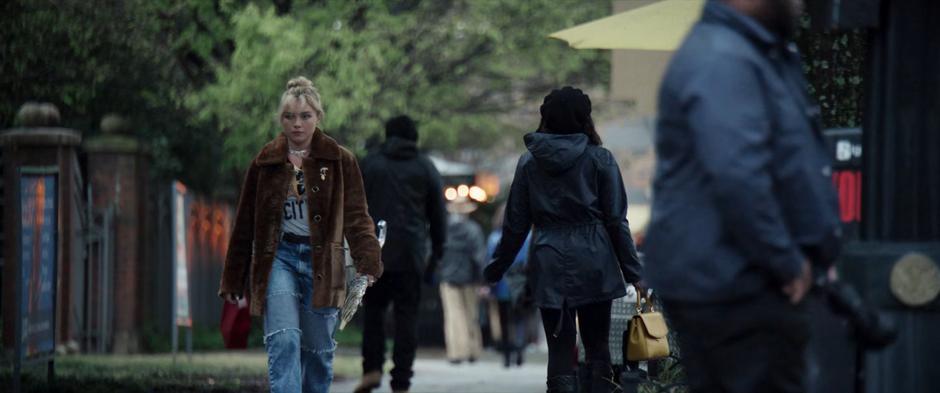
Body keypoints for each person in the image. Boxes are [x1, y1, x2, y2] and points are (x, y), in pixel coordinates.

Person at [643, 1, 843, 392]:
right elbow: (739, 175)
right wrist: (785, 259)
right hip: (736, 281)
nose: (798, 4)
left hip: (733, 276)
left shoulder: (737, 53)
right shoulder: (724, 58)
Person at [218, 76, 382, 393]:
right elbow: (244, 222)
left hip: (324, 263)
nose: (297, 124)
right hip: (278, 258)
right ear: (281, 119)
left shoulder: (340, 160)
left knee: (318, 352)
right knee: (284, 339)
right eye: (289, 117)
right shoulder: (265, 162)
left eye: (305, 116)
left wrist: (368, 262)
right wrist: (233, 277)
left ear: (318, 117)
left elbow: (357, 216)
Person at [484, 87, 644, 393]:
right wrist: (634, 271)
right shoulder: (601, 159)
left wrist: (497, 266)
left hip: (548, 260)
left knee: (559, 349)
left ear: (546, 118)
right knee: (598, 348)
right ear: (585, 119)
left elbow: (516, 224)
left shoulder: (529, 162)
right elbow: (616, 221)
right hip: (595, 259)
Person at [356, 115, 447, 393]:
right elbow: (438, 216)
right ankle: (401, 380)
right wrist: (436, 257)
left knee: (373, 313)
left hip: (375, 253)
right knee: (407, 317)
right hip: (411, 254)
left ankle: (371, 369)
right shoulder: (424, 166)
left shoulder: (370, 163)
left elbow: (355, 208)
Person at [436, 197, 486, 364]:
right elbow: (479, 257)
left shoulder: (444, 230)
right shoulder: (473, 230)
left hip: (448, 279)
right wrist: (482, 281)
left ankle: (456, 352)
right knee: (471, 315)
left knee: (453, 315)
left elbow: (436, 253)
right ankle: (473, 351)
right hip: (470, 279)